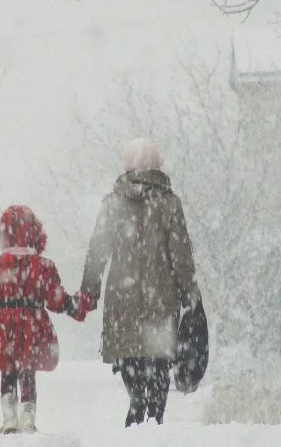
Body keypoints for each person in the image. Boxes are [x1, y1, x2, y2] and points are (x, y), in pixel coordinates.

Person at [79, 137, 200, 427]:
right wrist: (189, 290)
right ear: (157, 164)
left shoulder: (113, 204)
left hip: (123, 295)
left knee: (128, 353)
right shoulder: (170, 203)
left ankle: (136, 399)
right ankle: (155, 414)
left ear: (127, 165)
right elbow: (181, 253)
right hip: (162, 296)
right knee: (158, 358)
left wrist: (90, 289)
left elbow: (97, 250)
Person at [0, 205, 91, 434]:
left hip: (4, 328)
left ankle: (9, 419)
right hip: (33, 325)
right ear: (35, 233)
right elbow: (55, 299)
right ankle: (28, 419)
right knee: (27, 370)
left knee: (8, 369)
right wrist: (76, 305)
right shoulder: (43, 267)